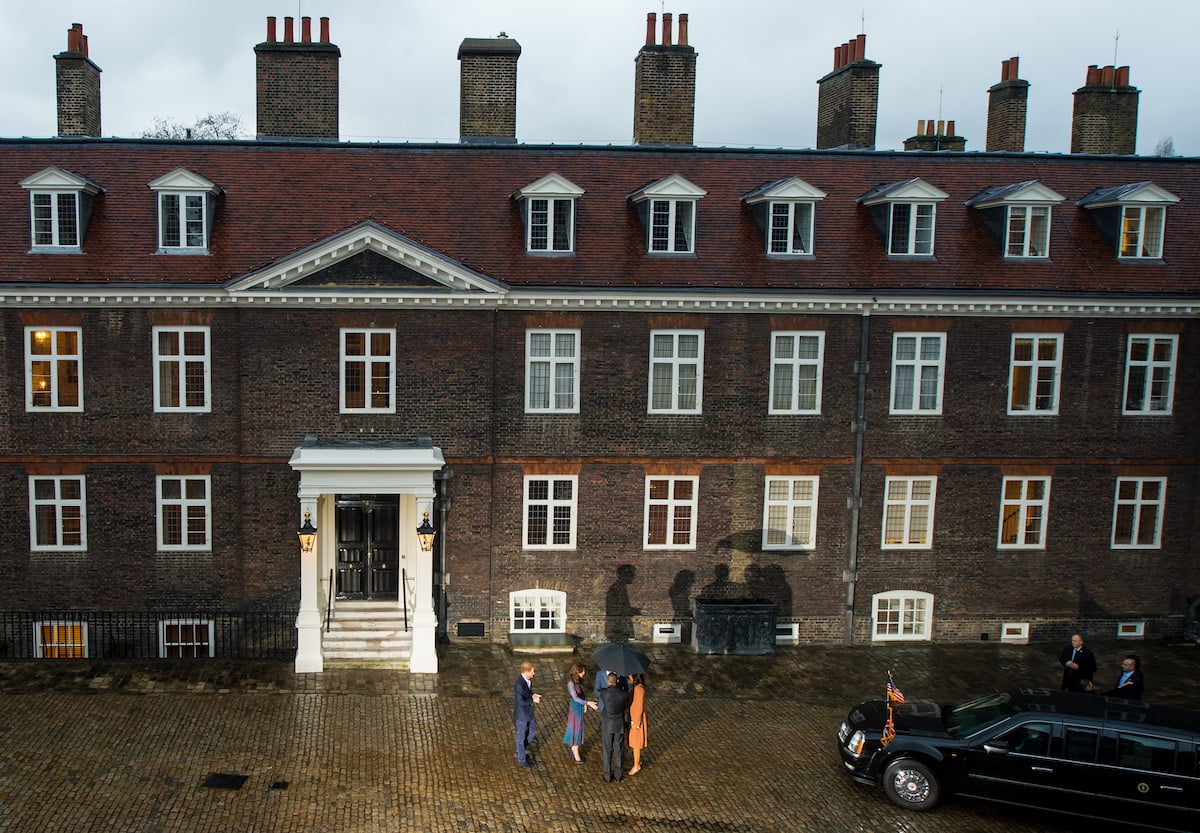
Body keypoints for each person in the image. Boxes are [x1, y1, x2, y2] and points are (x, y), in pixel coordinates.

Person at [562, 663, 598, 763]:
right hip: (575, 707)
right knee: (576, 728)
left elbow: (582, 694)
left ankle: (574, 745)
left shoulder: (578, 681)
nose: (584, 674)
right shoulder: (571, 683)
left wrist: (585, 704)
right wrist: (588, 703)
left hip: (580, 705)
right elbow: (575, 697)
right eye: (582, 672)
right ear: (577, 672)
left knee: (579, 727)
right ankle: (575, 748)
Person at [598, 672, 630, 782]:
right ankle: (618, 774)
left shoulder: (604, 693)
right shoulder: (624, 694)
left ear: (608, 681)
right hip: (619, 724)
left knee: (607, 749)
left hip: (607, 724)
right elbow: (625, 706)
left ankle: (607, 775)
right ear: (617, 681)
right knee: (619, 749)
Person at [513, 660, 541, 769]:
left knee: (532, 730)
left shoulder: (528, 681)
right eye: (532, 672)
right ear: (526, 672)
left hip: (528, 712)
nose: (534, 674)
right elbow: (521, 702)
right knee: (520, 736)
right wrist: (532, 700)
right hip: (522, 714)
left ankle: (519, 751)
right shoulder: (519, 685)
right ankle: (521, 759)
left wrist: (532, 695)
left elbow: (528, 694)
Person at [627, 673, 648, 775]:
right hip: (634, 718)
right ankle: (636, 763)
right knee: (635, 742)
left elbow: (639, 707)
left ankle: (636, 765)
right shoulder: (636, 688)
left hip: (636, 720)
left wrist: (636, 723)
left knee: (636, 744)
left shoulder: (639, 689)